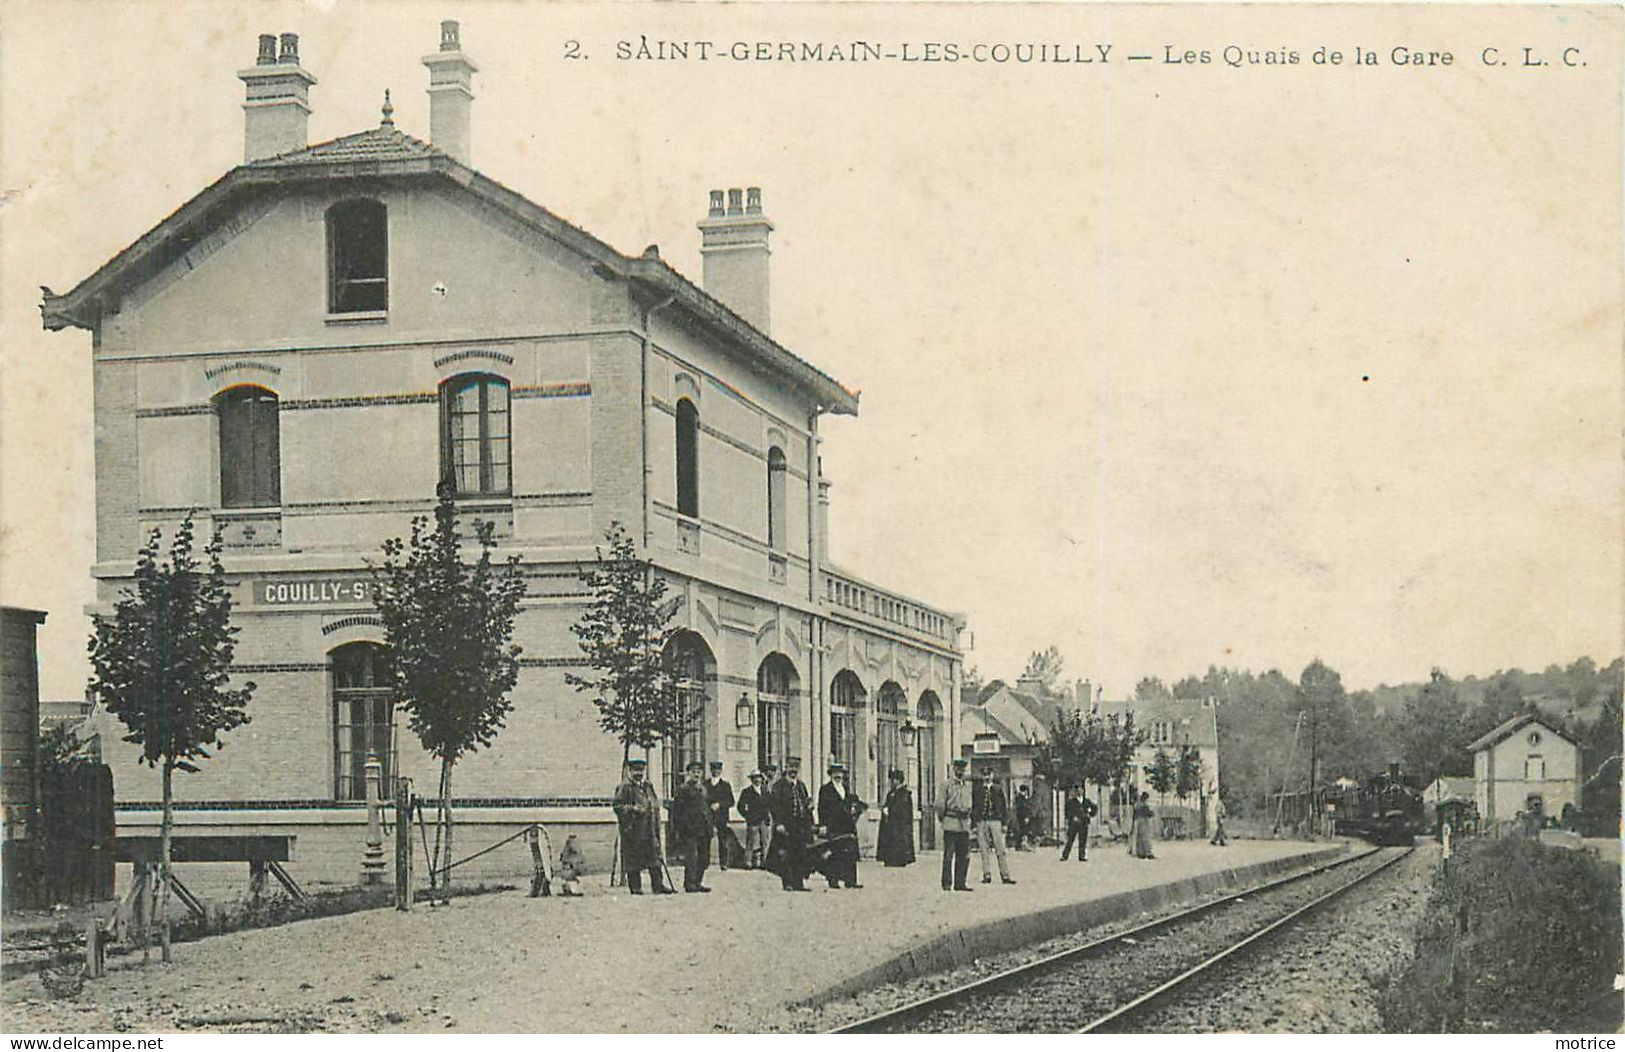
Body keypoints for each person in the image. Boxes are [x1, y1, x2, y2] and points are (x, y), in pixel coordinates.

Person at [612, 757, 674, 894]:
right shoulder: (625, 787)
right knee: (633, 859)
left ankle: (658, 885)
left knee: (654, 858)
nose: (639, 773)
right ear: (630, 771)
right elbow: (617, 806)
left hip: (649, 829)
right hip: (633, 831)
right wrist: (633, 808)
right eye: (636, 770)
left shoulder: (647, 786)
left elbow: (653, 803)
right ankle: (635, 887)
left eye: (641, 770)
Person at [767, 756, 814, 891]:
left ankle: (799, 883)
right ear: (786, 768)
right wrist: (779, 823)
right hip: (786, 826)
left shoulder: (801, 786)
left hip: (800, 827)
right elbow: (775, 806)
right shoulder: (779, 786)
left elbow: (805, 804)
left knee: (800, 854)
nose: (793, 770)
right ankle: (787, 882)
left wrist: (809, 810)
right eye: (790, 767)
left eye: (796, 768)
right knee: (785, 855)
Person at [817, 761, 866, 889]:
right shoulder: (826, 789)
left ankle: (850, 880)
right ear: (831, 775)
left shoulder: (846, 789)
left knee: (850, 853)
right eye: (835, 773)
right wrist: (823, 824)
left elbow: (853, 803)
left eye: (840, 773)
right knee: (835, 853)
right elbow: (821, 808)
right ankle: (833, 880)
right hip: (834, 825)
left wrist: (855, 809)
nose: (838, 776)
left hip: (847, 825)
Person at [670, 760, 713, 892]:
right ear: (688, 773)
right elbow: (677, 811)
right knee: (691, 858)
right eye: (693, 772)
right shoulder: (683, 789)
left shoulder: (703, 789)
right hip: (690, 830)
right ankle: (689, 883)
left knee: (704, 858)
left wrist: (710, 826)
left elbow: (706, 809)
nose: (696, 774)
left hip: (704, 829)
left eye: (699, 772)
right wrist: (680, 829)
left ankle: (698, 882)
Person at [972, 767, 1016, 885]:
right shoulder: (977, 790)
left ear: (992, 775)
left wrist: (1005, 823)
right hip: (981, 821)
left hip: (996, 821)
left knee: (1000, 849)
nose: (986, 777)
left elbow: (1004, 807)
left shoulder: (998, 789)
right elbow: (974, 807)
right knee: (983, 849)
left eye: (989, 774)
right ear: (982, 776)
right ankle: (987, 875)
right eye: (984, 774)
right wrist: (974, 825)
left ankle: (1005, 875)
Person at [938, 758, 974, 891]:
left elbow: (970, 804)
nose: (961, 772)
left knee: (964, 856)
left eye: (963, 769)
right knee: (948, 856)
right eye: (958, 769)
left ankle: (960, 883)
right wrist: (944, 819)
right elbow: (940, 805)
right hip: (951, 823)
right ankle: (947, 883)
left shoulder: (966, 786)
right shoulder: (946, 785)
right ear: (954, 769)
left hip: (964, 825)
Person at [876, 768, 916, 867]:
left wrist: (891, 811)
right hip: (891, 822)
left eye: (894, 779)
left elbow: (903, 809)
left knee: (899, 840)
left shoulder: (905, 793)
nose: (892, 782)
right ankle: (889, 859)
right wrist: (885, 809)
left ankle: (899, 860)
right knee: (890, 840)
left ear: (899, 780)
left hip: (900, 824)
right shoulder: (891, 793)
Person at [737, 769, 772, 869]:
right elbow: (740, 806)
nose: (757, 780)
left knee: (765, 841)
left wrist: (768, 815)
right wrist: (747, 815)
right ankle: (748, 862)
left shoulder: (765, 791)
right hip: (753, 820)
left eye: (759, 777)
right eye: (755, 778)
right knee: (750, 842)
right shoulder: (747, 792)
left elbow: (770, 804)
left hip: (764, 820)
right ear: (751, 780)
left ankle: (764, 862)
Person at [706, 760, 736, 871]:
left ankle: (724, 863)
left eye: (718, 769)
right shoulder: (706, 784)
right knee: (706, 839)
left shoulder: (725, 785)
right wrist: (709, 806)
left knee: (722, 840)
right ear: (711, 770)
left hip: (721, 816)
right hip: (708, 816)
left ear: (721, 771)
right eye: (714, 769)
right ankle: (706, 861)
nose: (716, 771)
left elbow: (731, 801)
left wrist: (720, 804)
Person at [1059, 785, 1097, 861]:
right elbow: (1067, 812)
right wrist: (1072, 818)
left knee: (1083, 840)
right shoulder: (1071, 802)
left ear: (1083, 791)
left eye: (1080, 790)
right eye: (1077, 790)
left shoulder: (1087, 801)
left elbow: (1095, 808)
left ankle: (1082, 855)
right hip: (1074, 824)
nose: (1079, 792)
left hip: (1084, 823)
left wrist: (1089, 815)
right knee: (1070, 840)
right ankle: (1065, 855)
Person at [1133, 791, 1157, 859]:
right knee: (1145, 837)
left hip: (1137, 821)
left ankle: (1140, 853)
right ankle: (1147, 852)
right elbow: (1148, 814)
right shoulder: (1144, 805)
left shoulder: (1136, 805)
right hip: (1144, 821)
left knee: (1139, 837)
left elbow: (1134, 815)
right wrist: (1152, 813)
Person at [1011, 784, 1032, 851]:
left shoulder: (1019, 798)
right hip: (1022, 817)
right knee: (1023, 831)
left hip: (1020, 817)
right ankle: (1022, 845)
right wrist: (1026, 817)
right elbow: (1023, 809)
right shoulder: (1021, 799)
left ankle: (1020, 845)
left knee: (1022, 831)